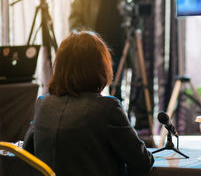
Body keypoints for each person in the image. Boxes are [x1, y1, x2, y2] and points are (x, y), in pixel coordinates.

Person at [23, 31, 154, 176]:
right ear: (100, 67)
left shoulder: (43, 104)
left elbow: (27, 153)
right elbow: (142, 163)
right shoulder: (107, 108)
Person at [69, 0, 126, 100]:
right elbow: (74, 21)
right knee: (90, 89)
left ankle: (117, 118)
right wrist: (85, 39)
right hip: (93, 51)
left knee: (116, 91)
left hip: (119, 50)